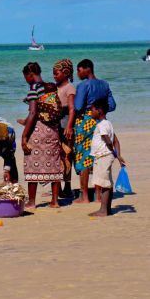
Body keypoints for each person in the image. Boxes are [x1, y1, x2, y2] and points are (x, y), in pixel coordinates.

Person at [73, 59, 116, 204]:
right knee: (98, 157)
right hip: (100, 120)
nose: (77, 73)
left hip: (85, 122)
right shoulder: (104, 84)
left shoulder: (83, 85)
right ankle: (98, 196)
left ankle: (84, 196)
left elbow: (78, 106)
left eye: (79, 70)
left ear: (87, 69)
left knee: (83, 159)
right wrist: (100, 111)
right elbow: (112, 105)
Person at [21, 63, 63, 209]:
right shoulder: (50, 87)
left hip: (39, 130)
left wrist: (24, 136)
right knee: (54, 162)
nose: (26, 80)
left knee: (32, 162)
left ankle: (32, 202)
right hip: (53, 130)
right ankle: (55, 201)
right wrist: (25, 121)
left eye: (25, 76)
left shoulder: (34, 88)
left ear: (30, 74)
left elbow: (33, 113)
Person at [88, 99, 125, 216]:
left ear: (99, 111)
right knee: (106, 183)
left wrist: (114, 153)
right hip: (105, 156)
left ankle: (103, 210)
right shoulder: (108, 124)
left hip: (103, 156)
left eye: (92, 110)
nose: (90, 112)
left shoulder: (102, 125)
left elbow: (108, 140)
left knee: (104, 183)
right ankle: (107, 209)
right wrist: (118, 155)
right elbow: (116, 141)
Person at [52, 59, 76, 197]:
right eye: (53, 73)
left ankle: (67, 186)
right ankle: (58, 187)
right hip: (55, 127)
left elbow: (72, 109)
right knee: (56, 156)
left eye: (57, 73)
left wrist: (69, 126)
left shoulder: (70, 88)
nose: (54, 76)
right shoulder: (55, 87)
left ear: (66, 73)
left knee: (67, 156)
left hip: (65, 125)